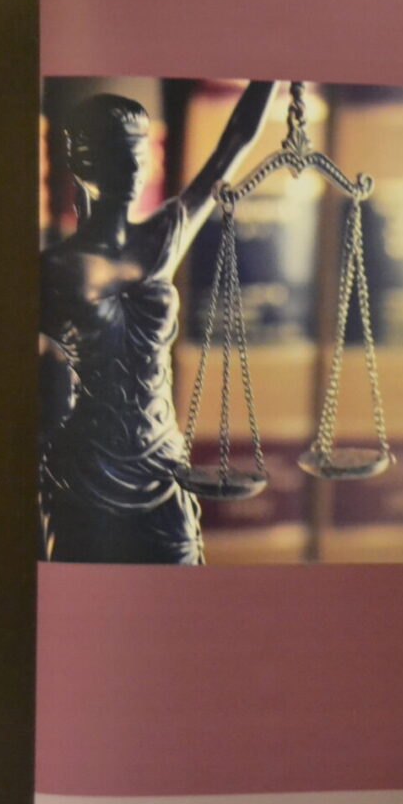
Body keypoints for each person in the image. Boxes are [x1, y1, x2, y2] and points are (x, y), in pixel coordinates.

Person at [39, 81, 275, 564]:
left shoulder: (165, 237)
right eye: (118, 153)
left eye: (140, 152)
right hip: (88, 472)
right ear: (87, 163)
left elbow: (236, 141)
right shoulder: (54, 269)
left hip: (163, 468)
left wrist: (275, 73)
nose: (133, 166)